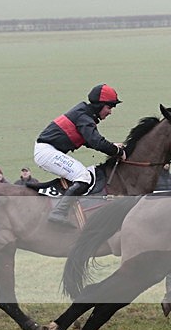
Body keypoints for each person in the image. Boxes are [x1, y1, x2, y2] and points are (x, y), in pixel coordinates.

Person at [34, 83, 126, 227]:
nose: (110, 112)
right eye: (109, 107)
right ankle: (58, 212)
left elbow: (90, 141)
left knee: (83, 174)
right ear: (99, 105)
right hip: (47, 151)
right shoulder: (84, 117)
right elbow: (96, 141)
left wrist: (113, 146)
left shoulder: (84, 115)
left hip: (48, 150)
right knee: (83, 176)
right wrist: (118, 152)